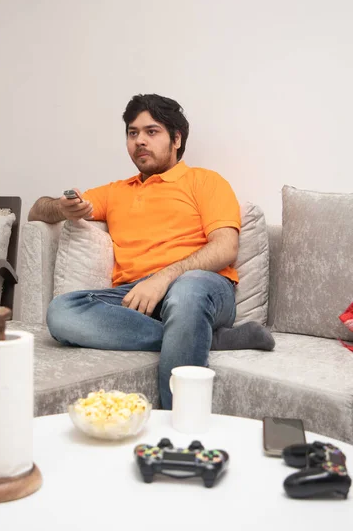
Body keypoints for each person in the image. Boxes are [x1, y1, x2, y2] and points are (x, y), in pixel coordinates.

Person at [29, 94, 274, 408]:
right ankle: (209, 338)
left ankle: (178, 423)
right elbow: (37, 210)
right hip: (136, 296)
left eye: (151, 131)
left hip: (202, 286)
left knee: (187, 292)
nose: (140, 141)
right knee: (62, 312)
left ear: (176, 139)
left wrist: (161, 280)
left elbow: (226, 248)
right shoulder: (116, 192)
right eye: (133, 133)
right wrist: (63, 208)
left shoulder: (206, 181)